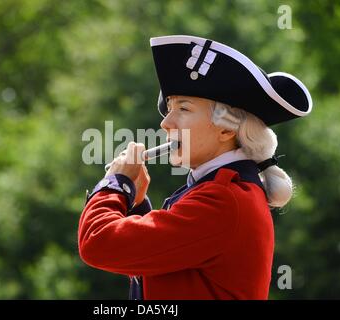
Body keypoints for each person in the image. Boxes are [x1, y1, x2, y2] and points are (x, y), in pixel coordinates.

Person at [78, 35, 312, 299]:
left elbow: (97, 243)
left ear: (226, 128)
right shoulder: (221, 192)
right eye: (169, 108)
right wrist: (137, 205)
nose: (166, 123)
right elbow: (153, 266)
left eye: (183, 108)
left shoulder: (222, 199)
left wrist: (115, 185)